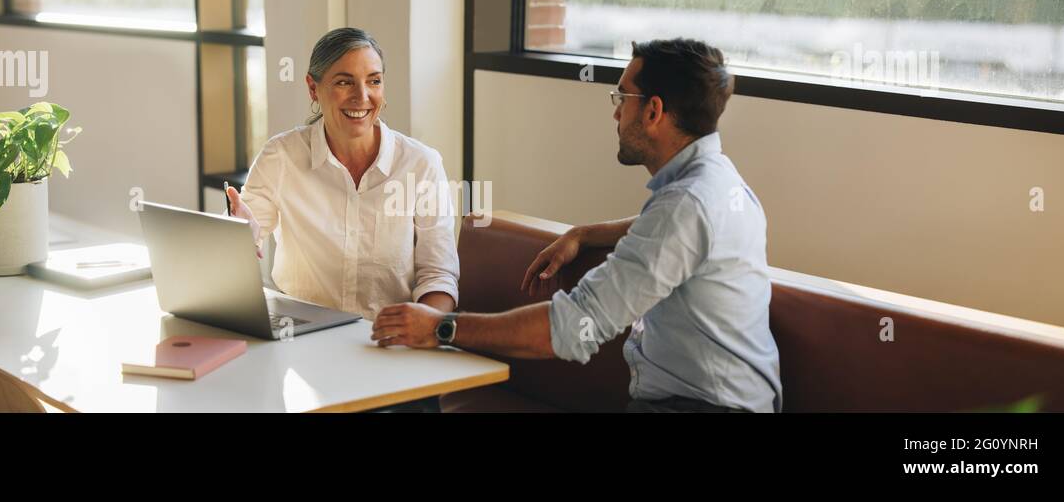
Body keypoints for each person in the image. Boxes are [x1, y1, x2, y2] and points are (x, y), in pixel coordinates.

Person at [369, 38, 782, 413]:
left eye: (622, 97)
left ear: (654, 110)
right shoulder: (715, 184)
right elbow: (667, 228)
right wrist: (586, 233)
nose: (617, 113)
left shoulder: (687, 205)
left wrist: (441, 328)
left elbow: (572, 328)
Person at [226, 28, 459, 321]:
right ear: (313, 88)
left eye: (373, 81)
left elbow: (438, 276)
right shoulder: (281, 157)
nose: (362, 97)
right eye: (344, 82)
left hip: (386, 341)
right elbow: (246, 239)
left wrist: (426, 326)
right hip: (301, 337)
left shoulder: (421, 165)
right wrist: (237, 236)